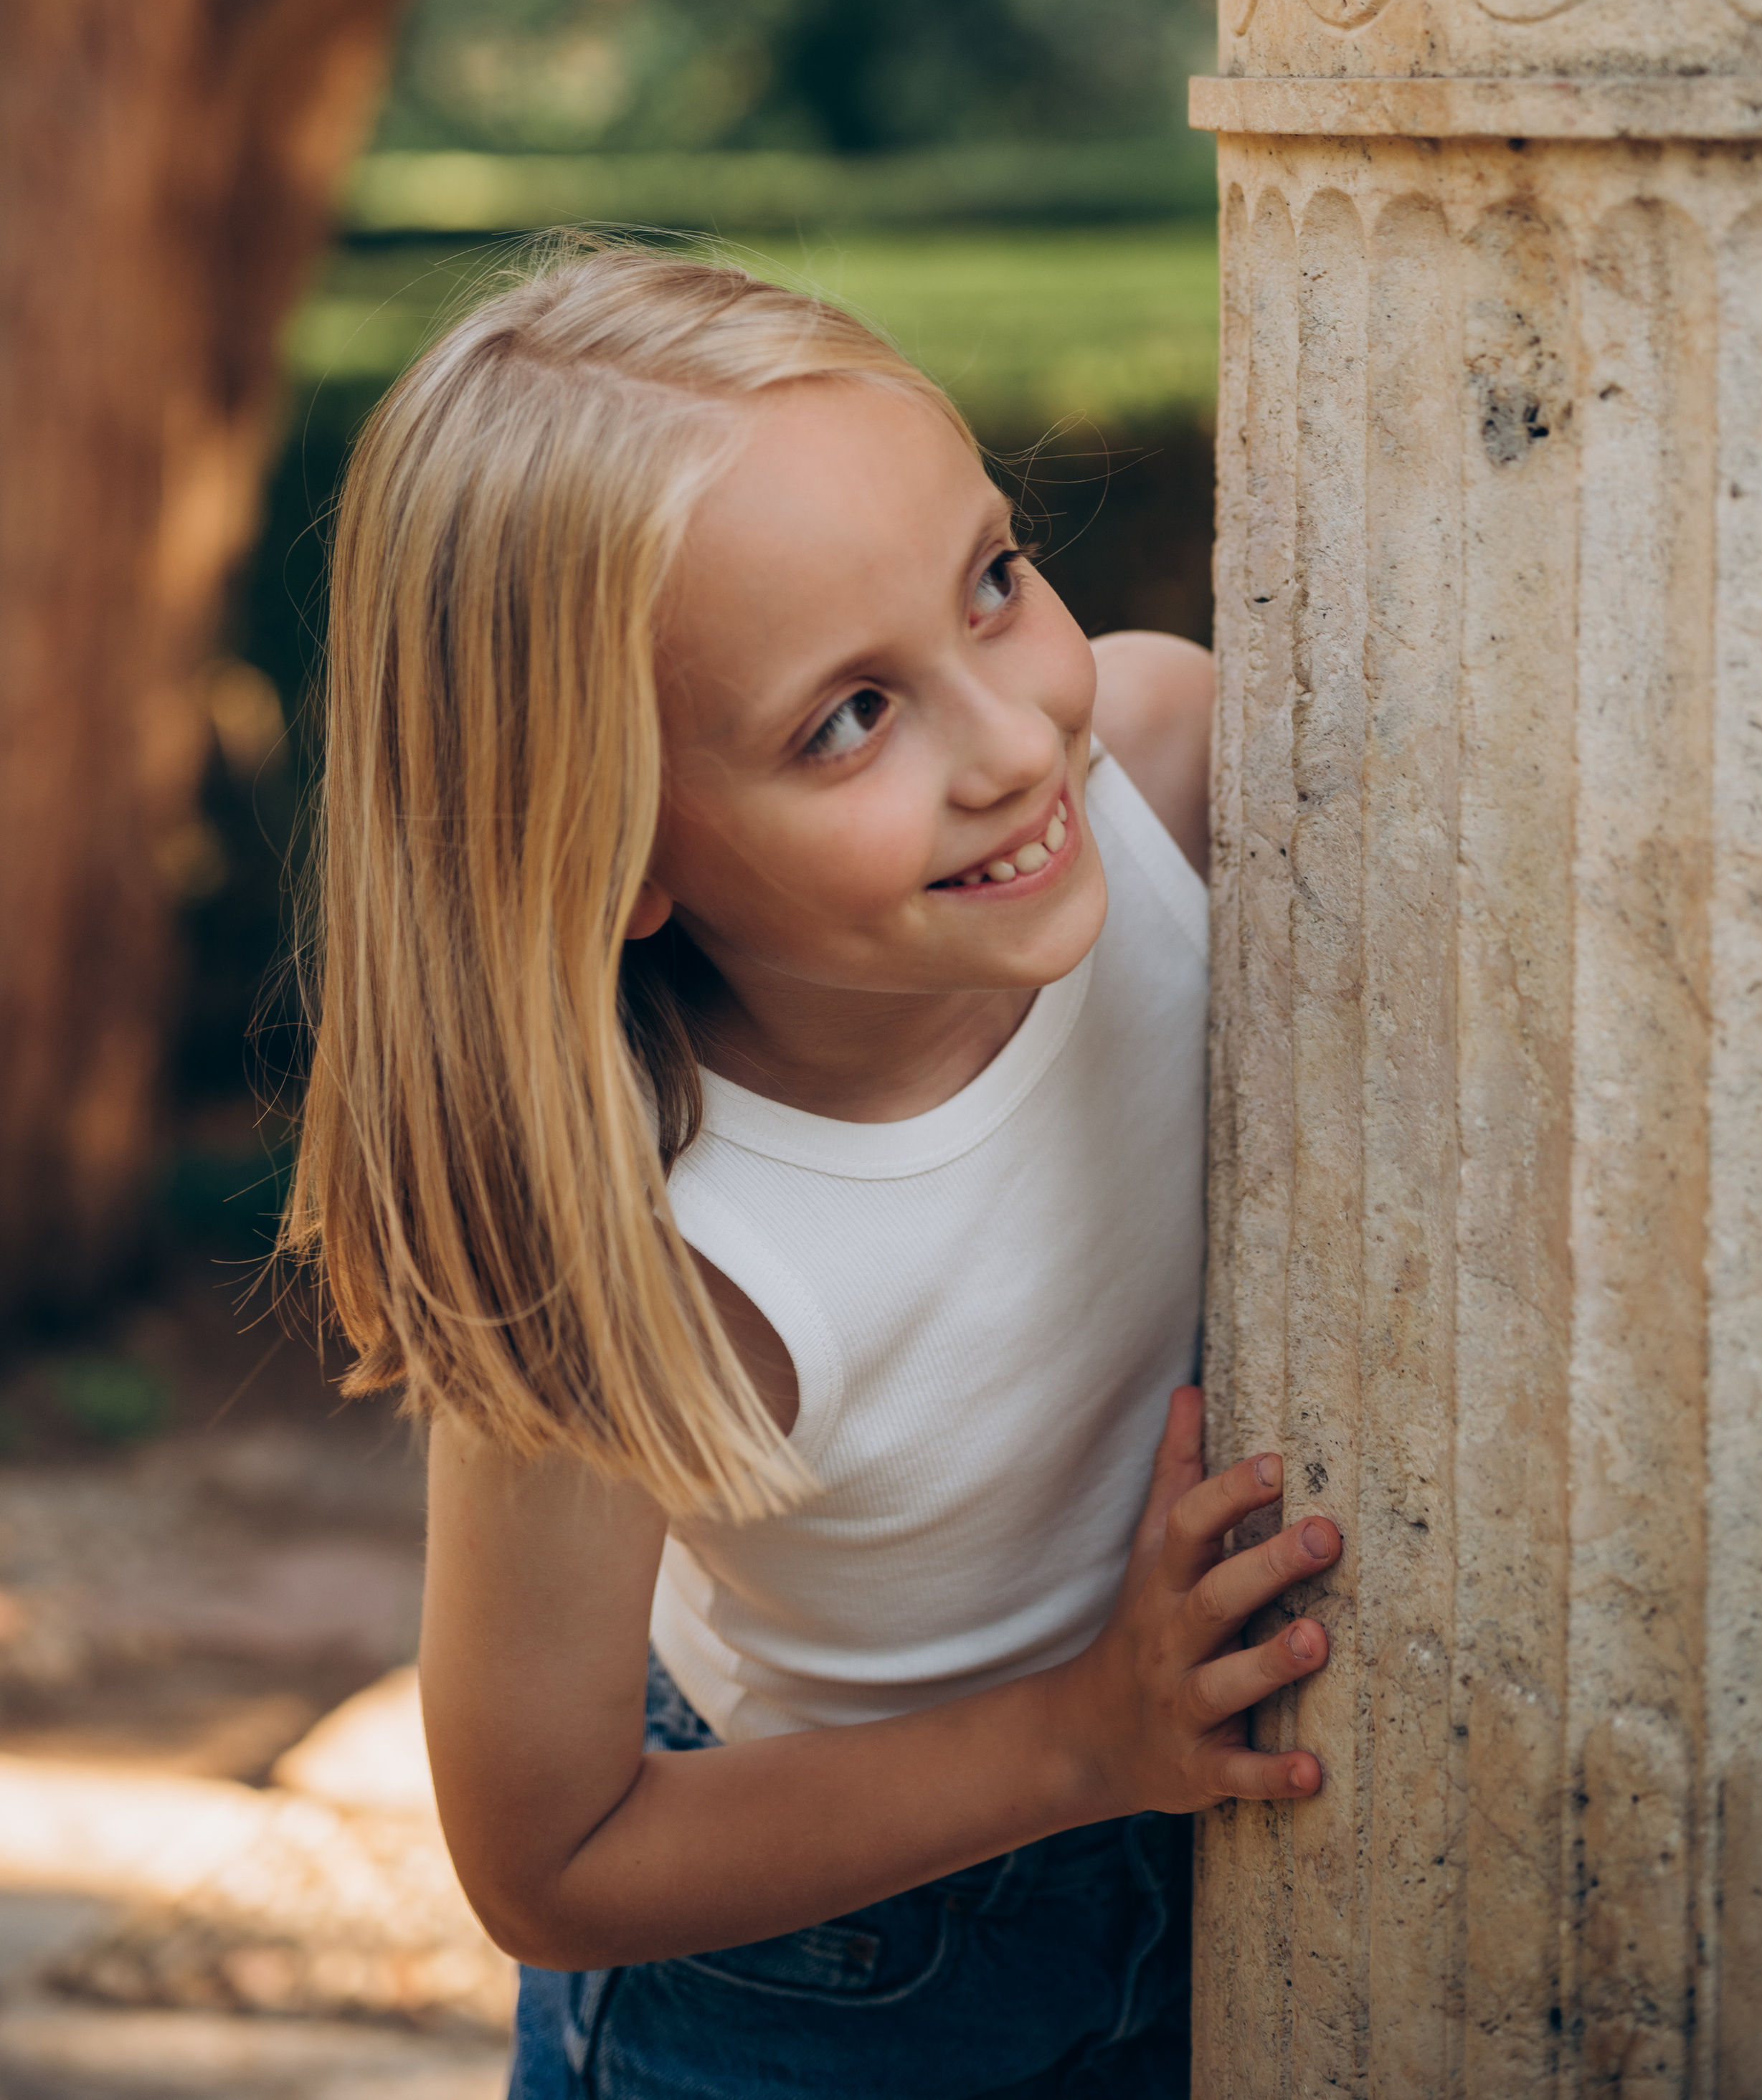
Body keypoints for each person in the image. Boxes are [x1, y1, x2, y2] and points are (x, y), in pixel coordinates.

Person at [286, 247, 1340, 2099]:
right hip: (810, 1984)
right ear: (610, 844)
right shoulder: (647, 1259)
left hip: (1220, 1859)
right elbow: (548, 1859)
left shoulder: (1177, 778)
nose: (1018, 744)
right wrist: (1084, 1739)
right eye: (849, 717)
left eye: (993, 584)